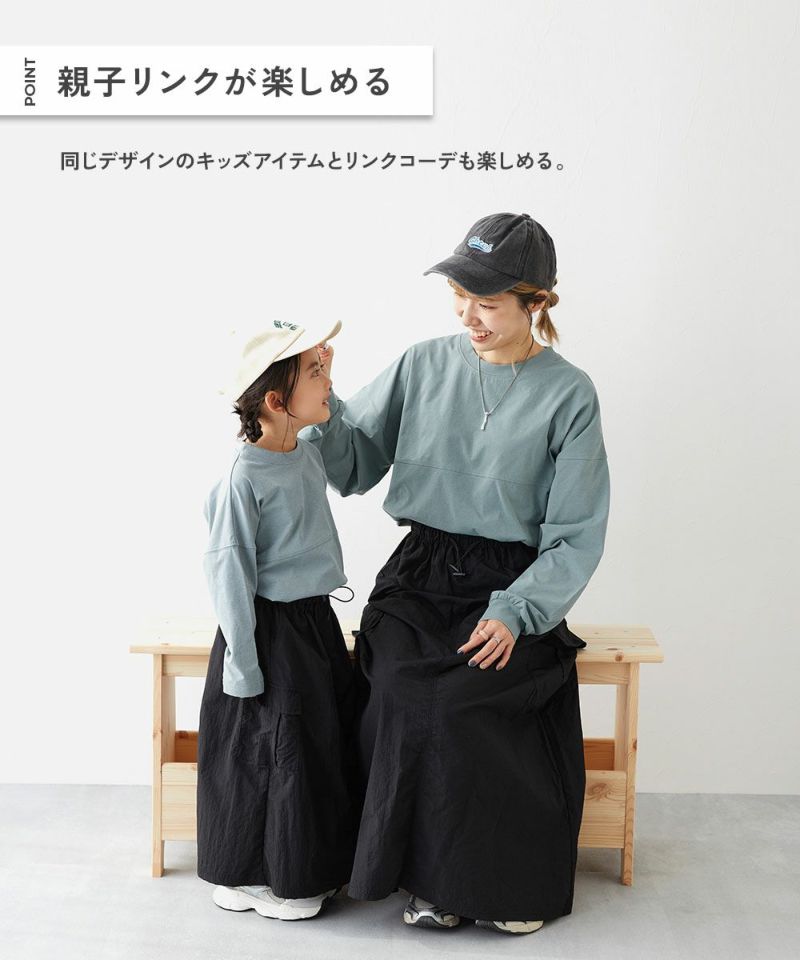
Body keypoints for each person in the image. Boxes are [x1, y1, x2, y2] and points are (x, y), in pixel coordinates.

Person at [298, 212, 611, 935]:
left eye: (488, 302)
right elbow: (352, 465)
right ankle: (428, 883)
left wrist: (516, 611)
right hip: (419, 576)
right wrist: (321, 396)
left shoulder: (569, 394)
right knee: (403, 691)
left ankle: (502, 886)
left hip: (515, 584)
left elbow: (575, 535)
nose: (469, 316)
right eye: (460, 297)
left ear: (537, 302)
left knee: (468, 701)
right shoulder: (422, 364)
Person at [196, 319, 360, 921]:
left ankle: (303, 867)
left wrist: (322, 375)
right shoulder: (243, 479)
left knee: (315, 745)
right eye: (315, 373)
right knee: (275, 750)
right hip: (268, 630)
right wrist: (242, 664)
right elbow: (229, 574)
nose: (327, 380)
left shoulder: (306, 452)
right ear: (274, 400)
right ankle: (261, 876)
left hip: (313, 622)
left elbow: (337, 432)